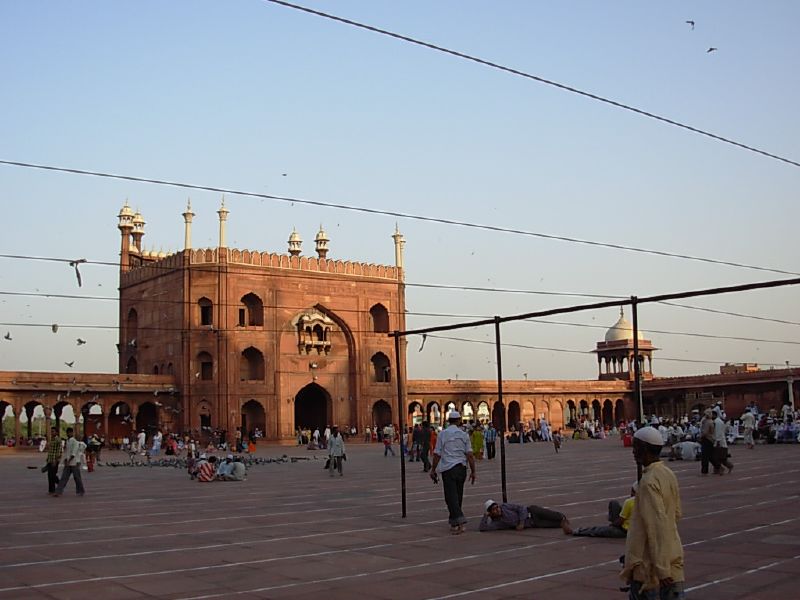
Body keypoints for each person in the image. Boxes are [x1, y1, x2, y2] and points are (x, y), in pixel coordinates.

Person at [621, 427, 685, 599]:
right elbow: (676, 513)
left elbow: (656, 526)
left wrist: (662, 568)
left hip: (650, 566)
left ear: (646, 449)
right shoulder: (668, 474)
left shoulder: (648, 482)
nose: (633, 451)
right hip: (672, 553)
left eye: (636, 447)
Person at [429, 410, 476, 535]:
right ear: (460, 420)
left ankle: (460, 521)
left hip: (448, 468)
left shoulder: (443, 434)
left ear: (448, 421)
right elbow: (470, 455)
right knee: (458, 495)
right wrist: (473, 471)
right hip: (461, 468)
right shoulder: (464, 435)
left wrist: (433, 469)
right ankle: (453, 522)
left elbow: (437, 453)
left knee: (450, 497)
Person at [572, 483, 636, 538]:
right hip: (633, 528)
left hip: (624, 531)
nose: (631, 493)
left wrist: (613, 525)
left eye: (632, 491)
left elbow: (620, 520)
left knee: (599, 530)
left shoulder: (630, 501)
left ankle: (577, 531)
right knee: (614, 503)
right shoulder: (644, 500)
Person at [480, 499, 571, 532]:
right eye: (494, 510)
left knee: (554, 516)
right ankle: (563, 524)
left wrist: (521, 522)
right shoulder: (498, 522)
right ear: (491, 513)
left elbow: (521, 508)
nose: (497, 510)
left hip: (532, 511)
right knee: (553, 525)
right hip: (533, 523)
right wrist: (485, 516)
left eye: (497, 507)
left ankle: (563, 517)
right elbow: (483, 528)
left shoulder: (505, 507)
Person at [53, 427, 85, 497]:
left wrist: (68, 460)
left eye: (69, 433)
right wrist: (65, 459)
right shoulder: (67, 441)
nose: (68, 434)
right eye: (67, 433)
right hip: (68, 462)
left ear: (71, 433)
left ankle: (81, 491)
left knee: (77, 478)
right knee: (64, 477)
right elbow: (67, 452)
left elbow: (73, 453)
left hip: (74, 462)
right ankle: (58, 491)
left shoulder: (75, 442)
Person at [712, 409, 733, 474]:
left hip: (720, 442)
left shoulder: (717, 422)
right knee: (721, 458)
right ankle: (718, 469)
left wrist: (718, 442)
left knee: (718, 457)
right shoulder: (717, 421)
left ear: (714, 415)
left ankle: (722, 468)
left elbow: (718, 432)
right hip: (720, 441)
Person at [44, 427, 62, 495]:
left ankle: (60, 484)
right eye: (51, 431)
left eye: (53, 431)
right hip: (50, 459)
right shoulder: (52, 440)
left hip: (54, 460)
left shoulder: (58, 440)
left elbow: (59, 451)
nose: (52, 433)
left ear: (57, 432)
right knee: (49, 475)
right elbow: (50, 451)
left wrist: (56, 460)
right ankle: (51, 490)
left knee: (53, 475)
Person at [699, 409, 715, 475]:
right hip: (710, 439)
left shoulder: (708, 422)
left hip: (707, 439)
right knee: (710, 456)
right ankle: (718, 466)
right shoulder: (710, 421)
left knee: (705, 456)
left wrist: (700, 436)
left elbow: (705, 432)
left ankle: (704, 471)